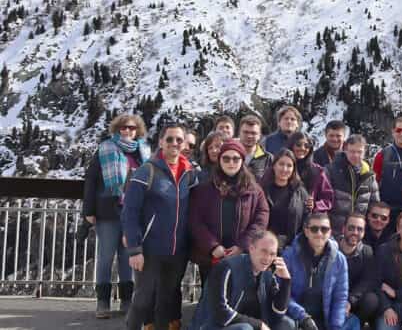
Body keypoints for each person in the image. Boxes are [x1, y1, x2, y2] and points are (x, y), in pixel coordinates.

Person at [122, 122, 198, 330]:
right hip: (150, 249)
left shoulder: (189, 174)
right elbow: (130, 212)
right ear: (161, 142)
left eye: (179, 140)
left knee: (165, 302)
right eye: (170, 139)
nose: (175, 143)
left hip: (177, 251)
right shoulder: (146, 171)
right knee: (142, 300)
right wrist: (135, 249)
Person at [83, 113, 149, 318]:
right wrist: (89, 211)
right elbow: (91, 180)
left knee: (127, 257)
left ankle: (127, 301)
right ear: (117, 129)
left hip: (134, 214)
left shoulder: (143, 153)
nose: (128, 131)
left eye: (132, 128)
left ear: (138, 130)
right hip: (108, 212)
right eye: (123, 127)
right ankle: (102, 302)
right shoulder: (105, 149)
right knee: (105, 257)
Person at [188, 138, 270, 284]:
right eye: (226, 158)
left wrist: (242, 245)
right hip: (211, 257)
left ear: (242, 161)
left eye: (235, 159)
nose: (231, 163)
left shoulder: (254, 190)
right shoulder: (204, 188)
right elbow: (195, 220)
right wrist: (212, 246)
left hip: (241, 256)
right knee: (212, 294)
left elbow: (261, 218)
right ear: (219, 160)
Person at [190, 228, 295, 330]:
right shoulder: (227, 267)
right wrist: (258, 325)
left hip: (249, 325)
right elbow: (221, 313)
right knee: (244, 328)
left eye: (272, 254)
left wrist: (286, 281)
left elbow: (277, 314)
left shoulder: (268, 274)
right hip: (214, 326)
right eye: (264, 251)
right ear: (251, 249)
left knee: (287, 323)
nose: (267, 258)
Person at [283, 212, 360, 330]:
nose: (319, 233)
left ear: (330, 232)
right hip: (297, 317)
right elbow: (283, 295)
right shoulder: (289, 256)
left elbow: (340, 297)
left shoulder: (339, 259)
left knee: (354, 321)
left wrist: (335, 327)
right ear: (306, 231)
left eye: (324, 229)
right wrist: (303, 317)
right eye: (314, 229)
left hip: (325, 317)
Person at [372, 116, 402, 226]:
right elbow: (374, 185)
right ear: (393, 132)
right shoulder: (382, 155)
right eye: (399, 130)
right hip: (387, 214)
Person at [327, 134, 380, 236]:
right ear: (345, 150)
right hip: (335, 231)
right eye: (352, 151)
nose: (355, 155)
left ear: (364, 152)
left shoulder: (369, 175)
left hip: (358, 232)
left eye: (359, 152)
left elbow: (374, 205)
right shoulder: (331, 171)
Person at [261, 149, 311, 252]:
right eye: (281, 164)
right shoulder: (262, 189)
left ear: (293, 169)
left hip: (291, 248)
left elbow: (306, 220)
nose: (284, 169)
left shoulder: (300, 191)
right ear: (274, 165)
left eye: (289, 166)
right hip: (265, 246)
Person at [337, 213, 380, 326]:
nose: (355, 232)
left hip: (354, 298)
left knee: (372, 300)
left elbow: (367, 281)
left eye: (359, 229)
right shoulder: (332, 248)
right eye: (351, 228)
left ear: (364, 232)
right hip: (334, 295)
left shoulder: (367, 251)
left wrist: (350, 301)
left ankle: (355, 325)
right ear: (343, 229)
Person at [287, 131, 335, 213]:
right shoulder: (283, 167)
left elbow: (328, 198)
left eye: (307, 146)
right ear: (291, 145)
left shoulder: (318, 170)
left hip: (309, 217)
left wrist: (315, 205)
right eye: (298, 145)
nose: (302, 148)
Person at [239, 114, 271, 179]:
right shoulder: (230, 155)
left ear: (259, 135)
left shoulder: (268, 158)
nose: (249, 136)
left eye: (253, 133)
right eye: (246, 132)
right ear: (239, 133)